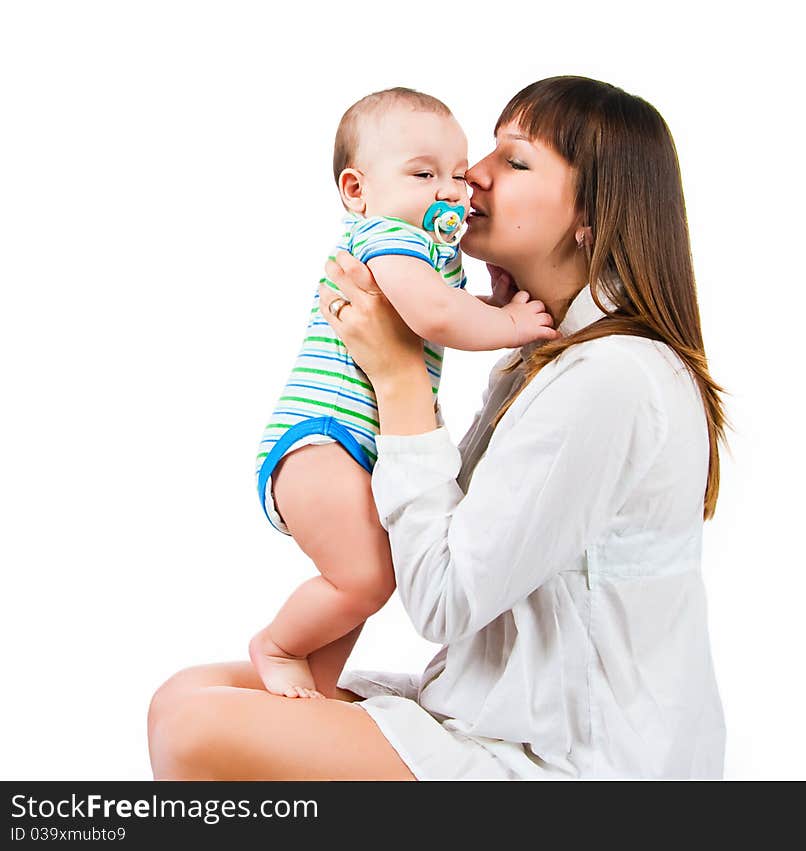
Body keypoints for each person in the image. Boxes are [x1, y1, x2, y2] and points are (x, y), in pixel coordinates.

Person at [147, 75, 728, 780]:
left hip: (568, 761)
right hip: (488, 713)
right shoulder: (543, 359)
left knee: (195, 725)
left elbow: (445, 597)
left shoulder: (611, 379)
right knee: (183, 696)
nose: (471, 177)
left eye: (514, 162)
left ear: (591, 219)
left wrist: (396, 379)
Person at [249, 87, 556, 699]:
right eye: (423, 174)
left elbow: (442, 302)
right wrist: (510, 325)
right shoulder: (388, 236)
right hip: (324, 441)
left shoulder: (423, 251)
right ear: (357, 190)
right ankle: (278, 645)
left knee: (370, 580)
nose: (450, 190)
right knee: (362, 579)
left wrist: (486, 302)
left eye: (456, 174)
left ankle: (315, 681)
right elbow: (433, 317)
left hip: (353, 449)